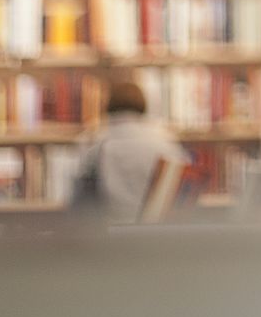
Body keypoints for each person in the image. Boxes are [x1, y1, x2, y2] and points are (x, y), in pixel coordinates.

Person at [81, 81, 189, 223]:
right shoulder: (165, 141)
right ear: (144, 105)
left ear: (108, 105)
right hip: (156, 231)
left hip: (109, 231)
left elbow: (82, 198)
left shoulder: (94, 141)